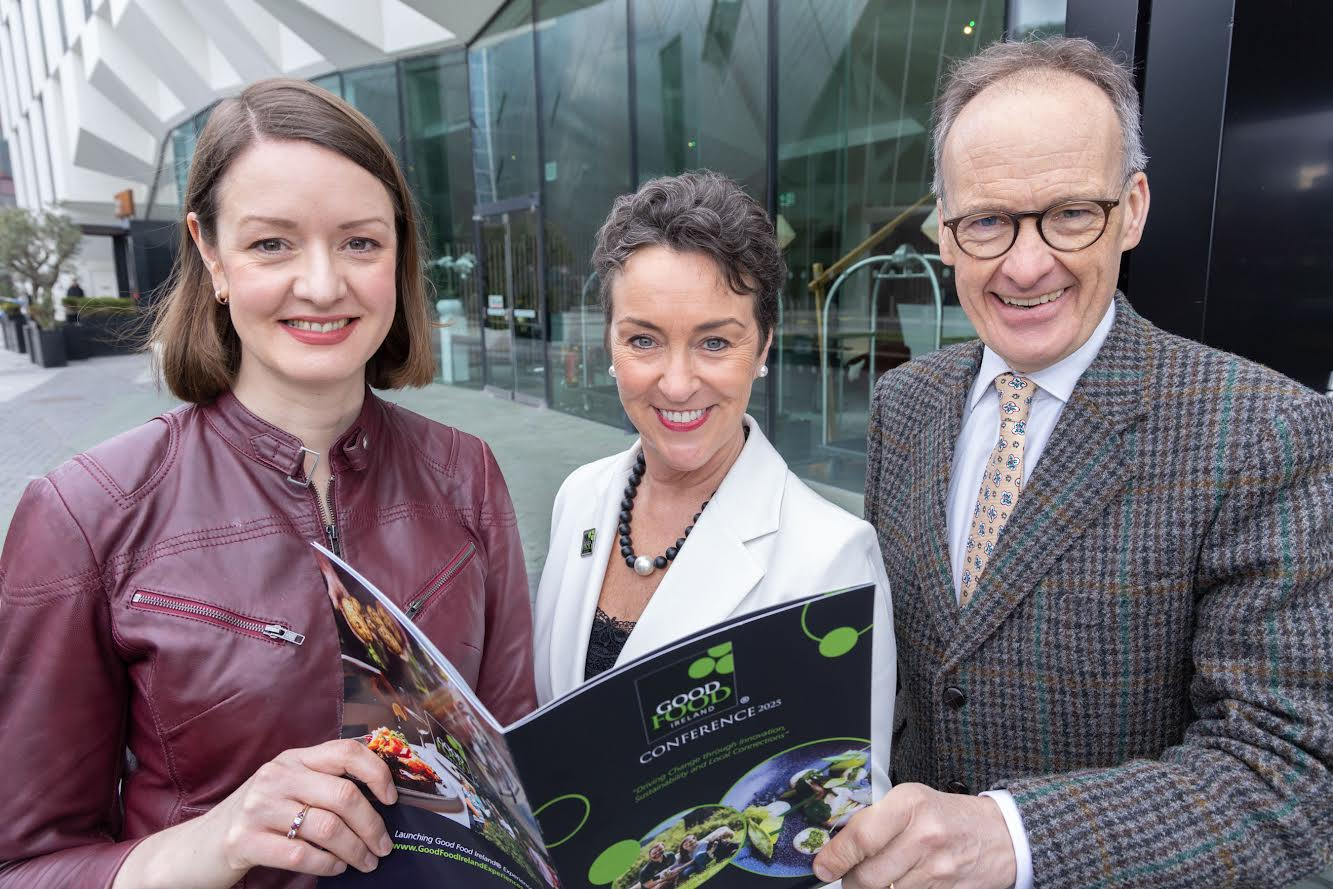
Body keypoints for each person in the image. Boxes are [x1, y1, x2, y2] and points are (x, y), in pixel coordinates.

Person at [815, 37, 1333, 889]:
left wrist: (1012, 837)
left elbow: (1290, 778)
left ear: (1131, 209)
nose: (1026, 265)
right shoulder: (902, 403)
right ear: (943, 232)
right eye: (987, 221)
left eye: (1068, 213)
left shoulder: (1264, 432)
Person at [0, 79, 536, 889]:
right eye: (272, 244)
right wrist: (218, 839)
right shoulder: (86, 512)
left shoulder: (466, 474)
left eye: (360, 242)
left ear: (398, 252)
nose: (322, 285)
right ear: (211, 254)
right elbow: (26, 863)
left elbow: (521, 777)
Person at [531, 171, 895, 793]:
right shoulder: (580, 498)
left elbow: (848, 800)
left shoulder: (833, 557)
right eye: (643, 340)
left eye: (715, 342)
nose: (677, 384)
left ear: (763, 347)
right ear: (611, 345)